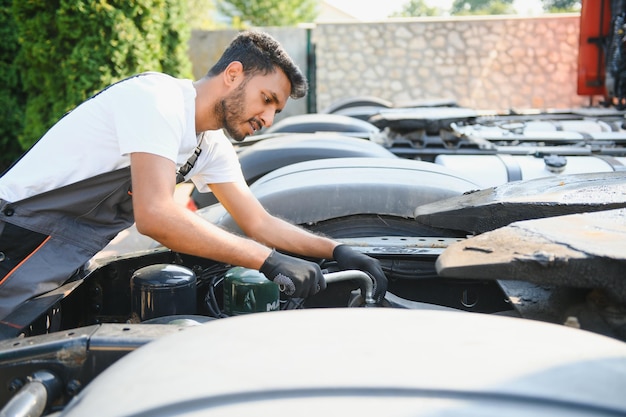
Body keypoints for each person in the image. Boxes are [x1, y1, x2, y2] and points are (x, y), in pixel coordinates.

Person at [0, 30, 386, 321]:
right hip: (14, 240)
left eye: (276, 112)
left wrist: (336, 251)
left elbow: (259, 222)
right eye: (267, 99)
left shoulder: (208, 144)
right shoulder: (158, 100)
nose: (267, 119)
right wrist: (268, 262)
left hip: (62, 259)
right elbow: (156, 215)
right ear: (234, 74)